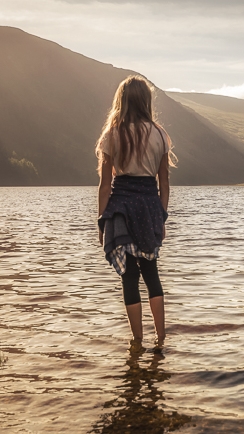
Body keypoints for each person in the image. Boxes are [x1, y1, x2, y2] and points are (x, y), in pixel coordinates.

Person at [96, 75, 176, 345]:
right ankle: (161, 338)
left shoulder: (111, 135)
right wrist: (161, 215)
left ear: (122, 101)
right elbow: (163, 183)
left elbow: (105, 186)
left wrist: (101, 221)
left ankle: (137, 342)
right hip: (149, 206)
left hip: (120, 209)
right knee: (151, 272)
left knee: (129, 277)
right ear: (146, 101)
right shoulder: (160, 135)